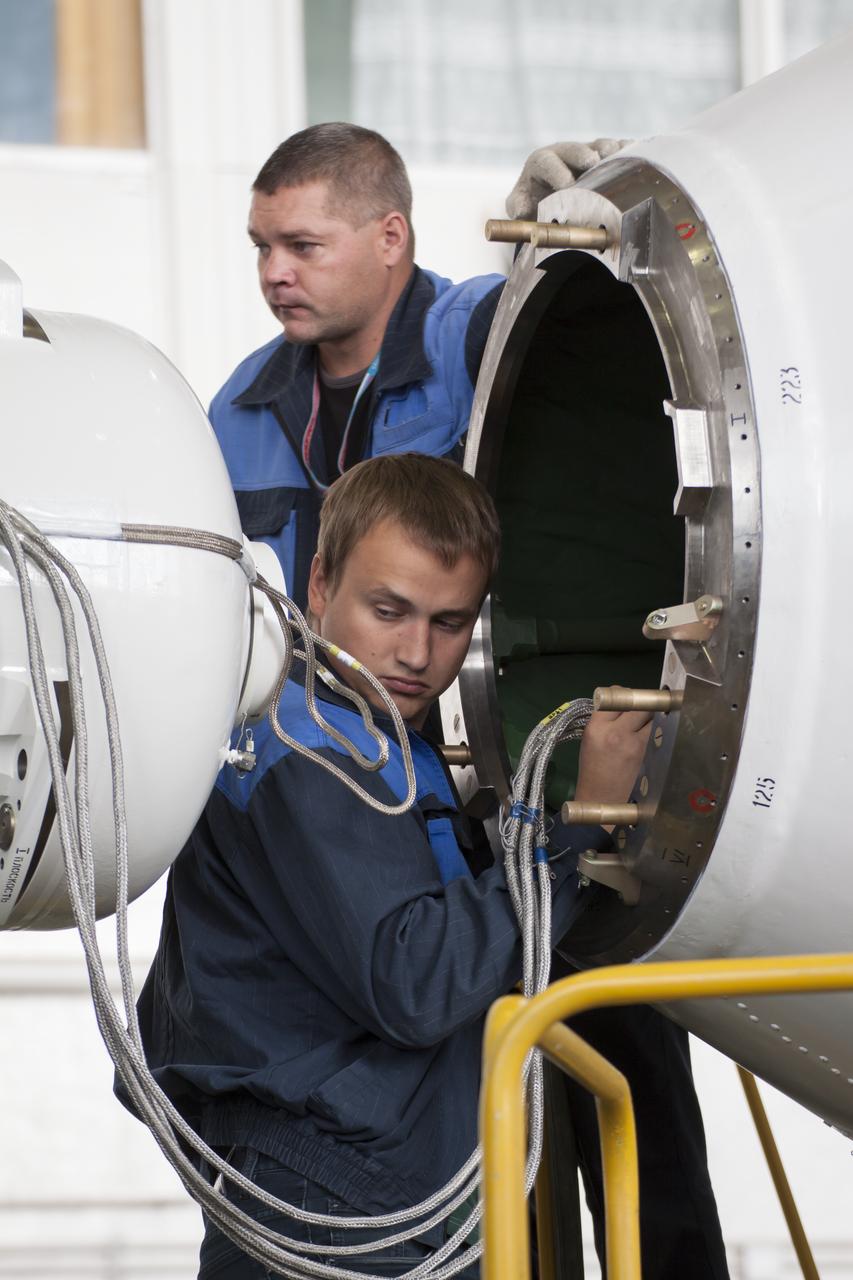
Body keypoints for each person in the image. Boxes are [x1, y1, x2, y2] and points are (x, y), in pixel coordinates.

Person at [205, 123, 730, 1279]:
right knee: (451, 1074)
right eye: (261, 248)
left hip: (500, 782)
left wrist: (582, 239)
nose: (274, 272)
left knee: (619, 1065)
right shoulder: (238, 410)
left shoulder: (476, 342)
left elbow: (588, 342)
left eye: (302, 243)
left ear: (390, 238)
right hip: (345, 805)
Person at [136, 454, 653, 1277]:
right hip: (330, 1189)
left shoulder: (372, 741)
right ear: (317, 584)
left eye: (449, 624)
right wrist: (577, 830)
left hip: (372, 1180)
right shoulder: (307, 751)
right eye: (388, 610)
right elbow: (413, 982)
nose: (415, 652)